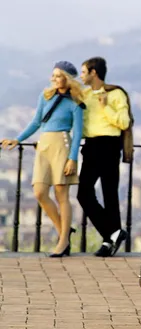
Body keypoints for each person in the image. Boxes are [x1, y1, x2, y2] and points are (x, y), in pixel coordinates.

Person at [1, 61, 84, 257]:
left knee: (61, 194)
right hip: (44, 145)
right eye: (53, 75)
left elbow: (78, 133)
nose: (53, 79)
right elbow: (36, 122)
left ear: (68, 79)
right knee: (39, 192)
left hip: (62, 145)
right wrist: (18, 139)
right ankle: (63, 230)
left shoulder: (76, 103)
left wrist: (72, 159)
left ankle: (63, 241)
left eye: (58, 76)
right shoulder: (45, 97)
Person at [78, 57, 129, 257]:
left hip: (109, 145)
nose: (81, 76)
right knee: (84, 193)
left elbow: (124, 122)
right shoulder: (84, 95)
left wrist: (105, 106)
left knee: (110, 193)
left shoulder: (116, 94)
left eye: (84, 72)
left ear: (94, 73)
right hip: (91, 146)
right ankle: (113, 232)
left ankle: (109, 240)